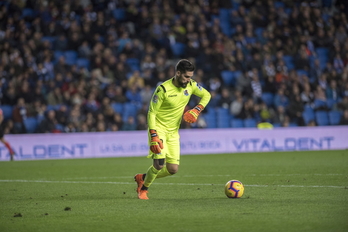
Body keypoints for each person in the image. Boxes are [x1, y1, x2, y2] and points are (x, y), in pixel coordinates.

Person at [134, 59, 211, 200]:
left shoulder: (191, 85)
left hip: (173, 132)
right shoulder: (163, 89)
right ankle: (143, 189)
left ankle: (143, 178)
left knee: (173, 169)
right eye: (186, 76)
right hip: (159, 129)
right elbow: (151, 113)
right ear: (178, 73)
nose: (189, 80)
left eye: (190, 77)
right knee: (158, 164)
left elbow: (207, 95)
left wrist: (197, 109)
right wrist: (154, 135)